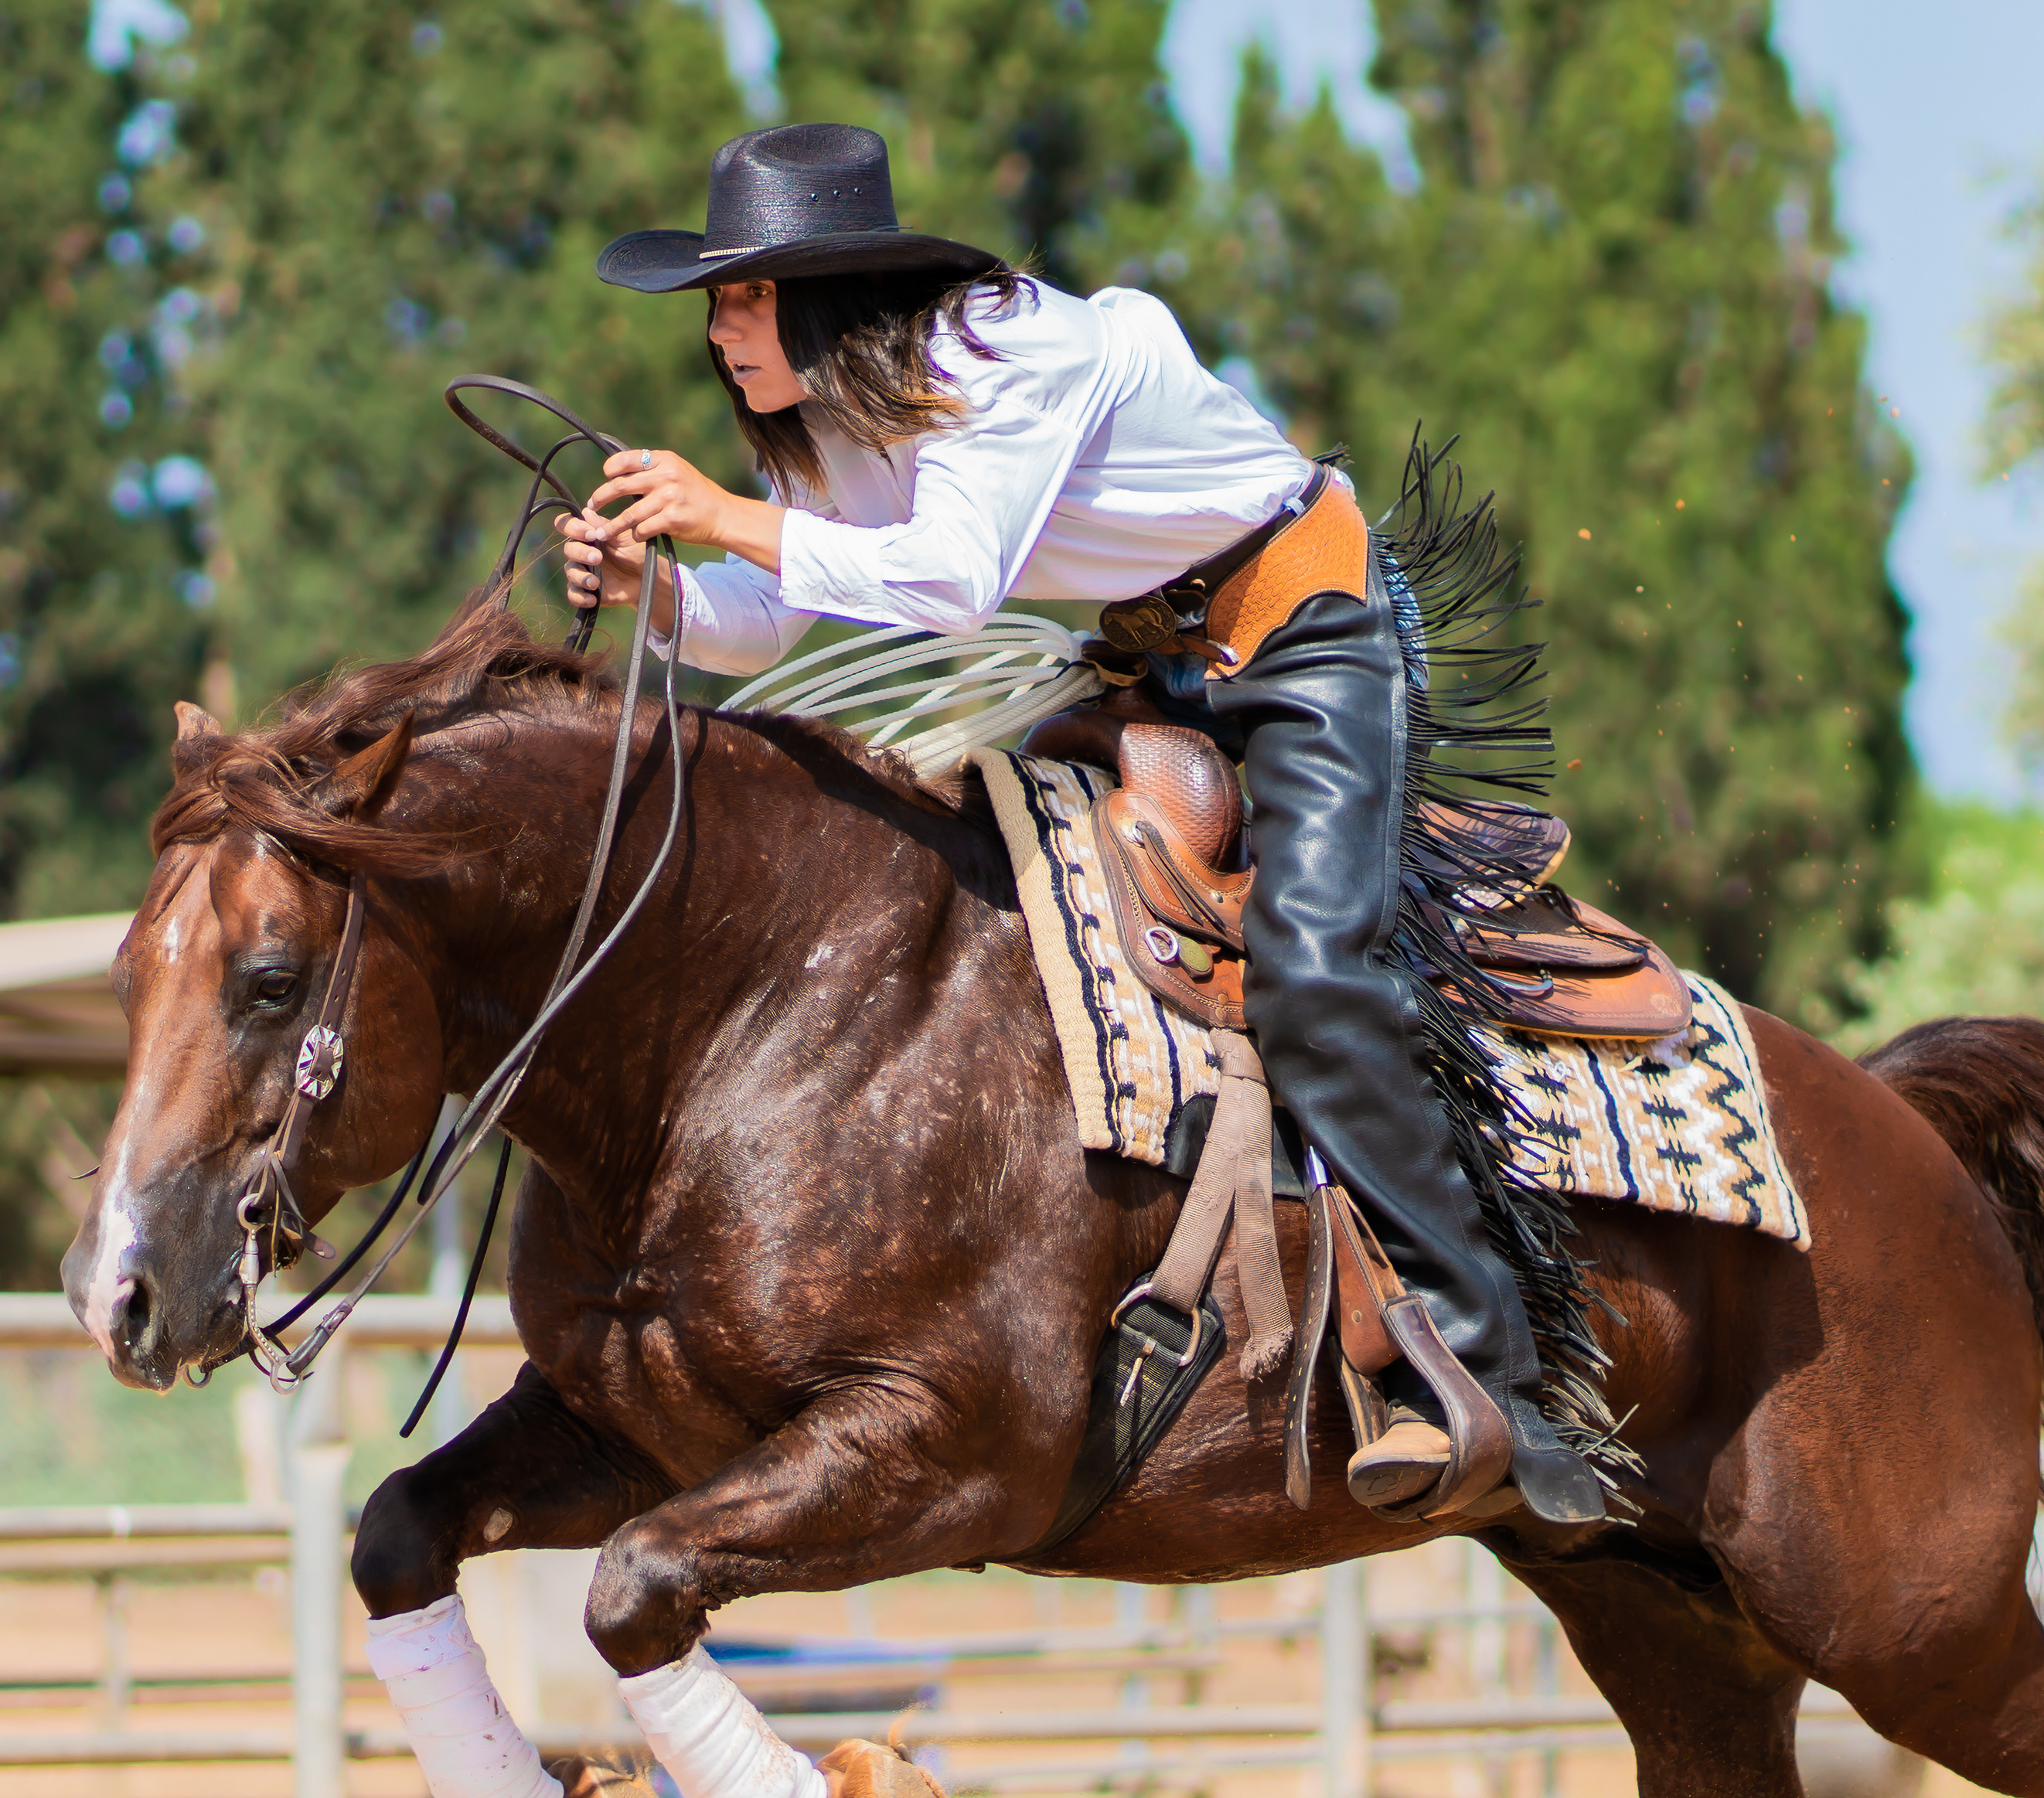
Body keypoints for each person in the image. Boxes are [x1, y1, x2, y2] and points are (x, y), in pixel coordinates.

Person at [559, 123, 1599, 1527]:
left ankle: (1498, 1376)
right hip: (1151, 657)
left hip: (1307, 631)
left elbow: (951, 583)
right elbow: (778, 614)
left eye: (744, 296)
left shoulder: (1000, 351)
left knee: (1315, 971)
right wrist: (664, 595)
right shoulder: (833, 410)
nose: (718, 329)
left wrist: (722, 513)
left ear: (826, 293)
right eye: (714, 301)